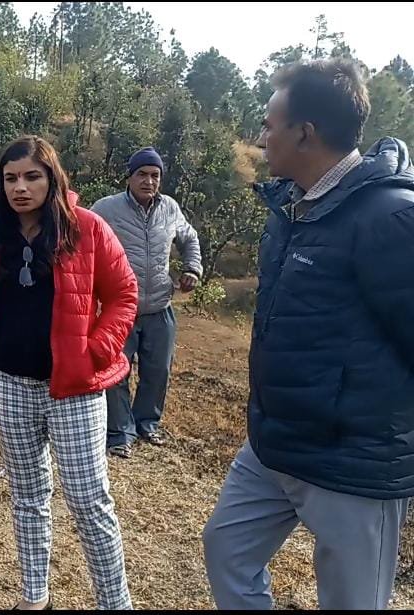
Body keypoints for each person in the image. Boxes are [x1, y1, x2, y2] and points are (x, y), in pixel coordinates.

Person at [202, 59, 414, 610]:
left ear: (305, 132)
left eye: (269, 124)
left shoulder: (390, 217)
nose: (261, 137)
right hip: (275, 443)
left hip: (352, 460)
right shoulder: (290, 209)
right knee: (227, 550)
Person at [0, 136, 138, 610]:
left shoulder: (87, 228)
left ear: (53, 179)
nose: (20, 187)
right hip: (9, 381)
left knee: (88, 500)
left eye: (31, 176)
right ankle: (34, 596)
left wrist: (96, 350)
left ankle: (115, 604)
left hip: (73, 388)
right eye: (10, 178)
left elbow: (123, 295)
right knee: (28, 494)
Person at [91, 147, 202, 458]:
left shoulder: (170, 208)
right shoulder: (106, 208)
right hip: (119, 309)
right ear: (129, 177)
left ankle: (147, 424)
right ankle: (119, 433)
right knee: (116, 373)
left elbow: (190, 238)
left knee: (158, 371)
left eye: (155, 175)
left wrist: (192, 269)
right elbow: (81, 236)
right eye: (142, 174)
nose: (149, 181)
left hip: (160, 307)